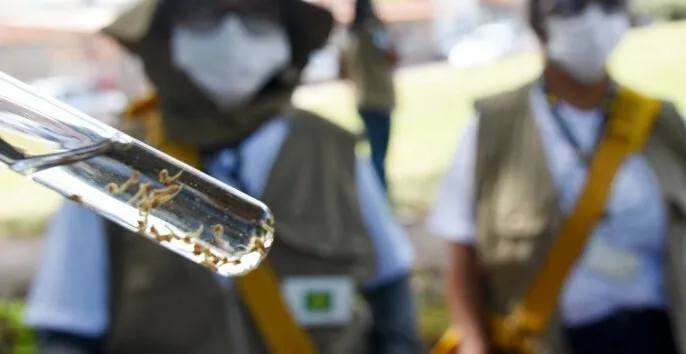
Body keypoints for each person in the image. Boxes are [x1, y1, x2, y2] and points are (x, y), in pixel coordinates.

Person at [23, 1, 421, 353]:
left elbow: (392, 297)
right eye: (203, 13)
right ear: (163, 34)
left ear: (287, 34)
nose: (233, 35)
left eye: (257, 15)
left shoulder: (336, 153)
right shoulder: (108, 166)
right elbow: (67, 329)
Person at [427, 0, 686, 353]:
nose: (592, 19)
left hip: (663, 337)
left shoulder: (665, 125)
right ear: (537, 24)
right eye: (571, 6)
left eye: (608, 4)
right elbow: (462, 259)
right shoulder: (493, 128)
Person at [341, 0, 398, 193]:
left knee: (374, 148)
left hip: (362, 99)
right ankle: (379, 198)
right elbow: (392, 57)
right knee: (378, 155)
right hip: (379, 99)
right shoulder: (374, 32)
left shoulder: (350, 36)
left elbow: (342, 72)